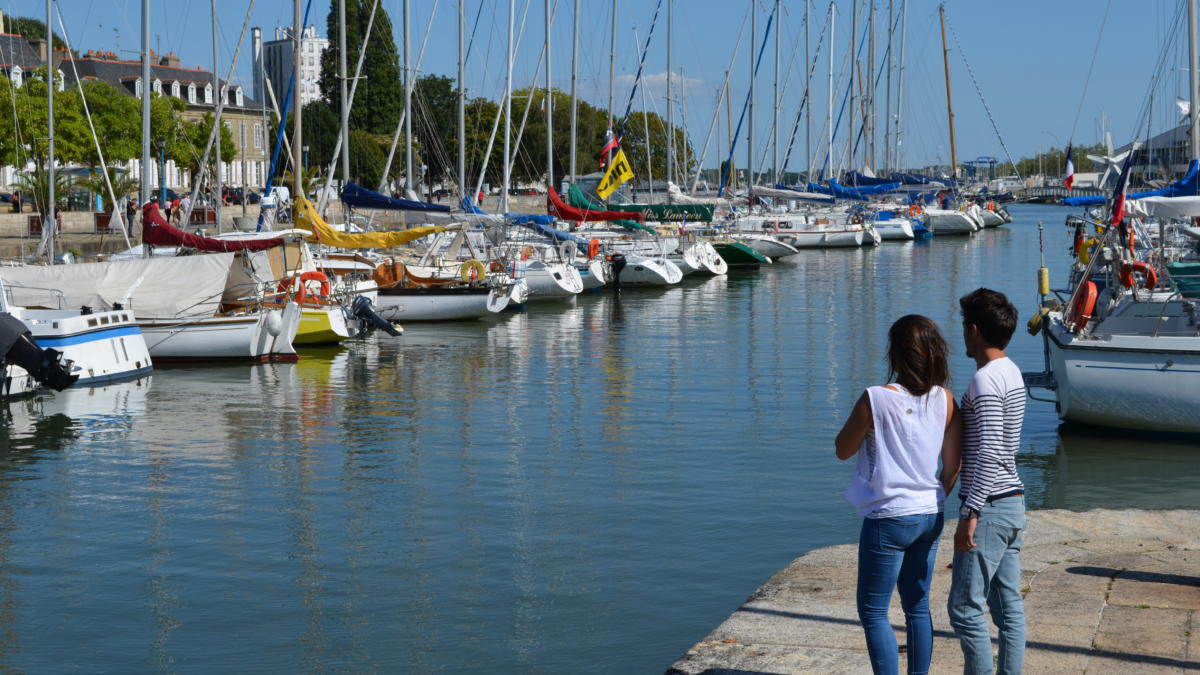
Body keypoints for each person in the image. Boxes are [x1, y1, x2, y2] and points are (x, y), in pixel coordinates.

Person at [836, 315, 962, 675]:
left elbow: (842, 449)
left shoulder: (875, 398)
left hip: (889, 517)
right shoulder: (946, 400)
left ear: (896, 355)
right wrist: (933, 497)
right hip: (930, 513)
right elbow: (952, 465)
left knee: (874, 611)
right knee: (918, 605)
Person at [947, 288, 1026, 675]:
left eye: (964, 326)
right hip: (1012, 501)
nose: (963, 334)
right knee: (1008, 610)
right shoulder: (1012, 372)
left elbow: (992, 451)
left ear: (974, 330)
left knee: (964, 609)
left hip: (991, 506)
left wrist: (970, 511)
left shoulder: (985, 380)